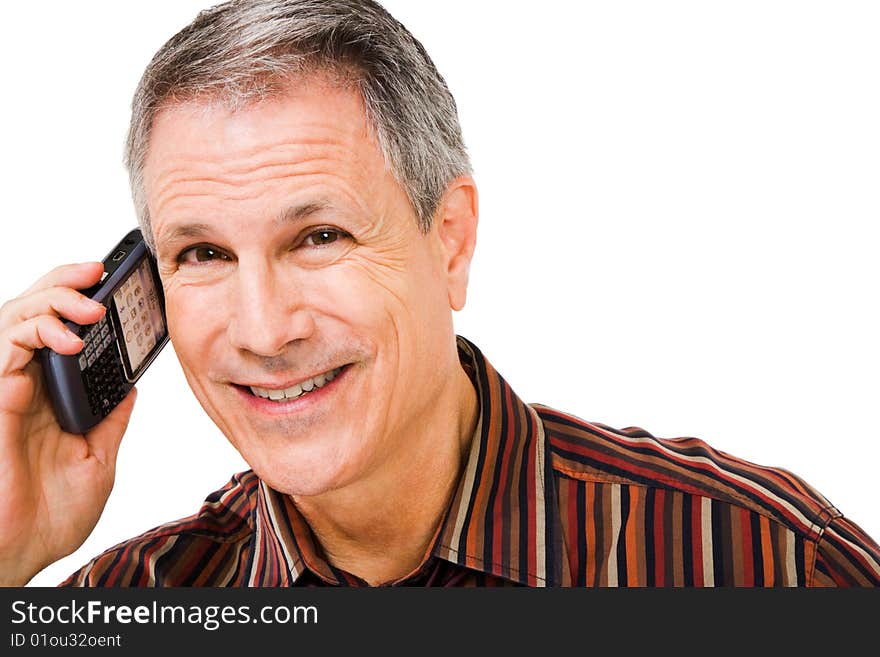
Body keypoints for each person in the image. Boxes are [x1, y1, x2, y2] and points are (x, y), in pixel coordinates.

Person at [0, 0, 877, 587]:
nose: (263, 329)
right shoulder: (129, 599)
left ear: (449, 239)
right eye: (202, 254)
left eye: (320, 237)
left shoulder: (767, 564)